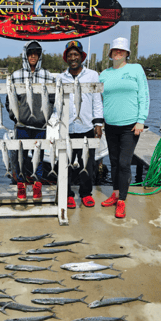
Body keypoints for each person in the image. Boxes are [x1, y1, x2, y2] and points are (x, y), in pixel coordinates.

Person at [99, 37, 150, 218]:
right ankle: (115, 193)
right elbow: (99, 99)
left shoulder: (136, 69)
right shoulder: (104, 74)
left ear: (127, 53)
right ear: (110, 53)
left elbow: (143, 95)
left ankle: (122, 200)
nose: (118, 52)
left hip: (130, 125)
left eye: (121, 50)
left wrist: (141, 120)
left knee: (124, 163)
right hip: (110, 125)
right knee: (113, 161)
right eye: (115, 50)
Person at [6, 40, 55, 202]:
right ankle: (21, 185)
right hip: (21, 125)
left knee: (39, 156)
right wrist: (15, 117)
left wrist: (46, 117)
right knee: (20, 156)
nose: (33, 56)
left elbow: (53, 100)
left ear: (40, 56)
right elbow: (9, 100)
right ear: (25, 55)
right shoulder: (15, 75)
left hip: (41, 125)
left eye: (36, 53)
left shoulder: (48, 76)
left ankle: (37, 186)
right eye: (30, 53)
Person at [59, 40, 103, 209]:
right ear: (66, 58)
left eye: (76, 54)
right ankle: (68, 194)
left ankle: (85, 193)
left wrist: (98, 122)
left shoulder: (92, 75)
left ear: (82, 56)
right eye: (70, 55)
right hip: (67, 128)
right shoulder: (61, 78)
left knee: (87, 163)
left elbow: (97, 101)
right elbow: (57, 104)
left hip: (86, 127)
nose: (73, 58)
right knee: (66, 162)